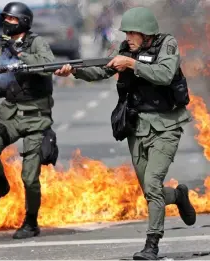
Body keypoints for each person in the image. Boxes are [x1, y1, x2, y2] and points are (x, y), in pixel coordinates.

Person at [54, 6, 196, 260]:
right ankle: (177, 195)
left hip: (166, 126)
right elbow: (100, 70)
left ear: (147, 33)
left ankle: (152, 245)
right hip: (137, 127)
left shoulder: (167, 45)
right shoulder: (123, 50)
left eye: (132, 33)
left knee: (152, 183)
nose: (128, 37)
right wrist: (74, 70)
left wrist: (131, 63)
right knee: (150, 190)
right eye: (126, 33)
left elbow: (164, 74)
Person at [0, 2, 57, 239]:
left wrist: (18, 51)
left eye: (11, 19)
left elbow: (47, 66)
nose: (6, 23)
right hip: (10, 113)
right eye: (5, 19)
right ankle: (1, 185)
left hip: (35, 118)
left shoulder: (35, 43)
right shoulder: (6, 47)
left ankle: (31, 222)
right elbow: (10, 82)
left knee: (29, 177)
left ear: (23, 22)